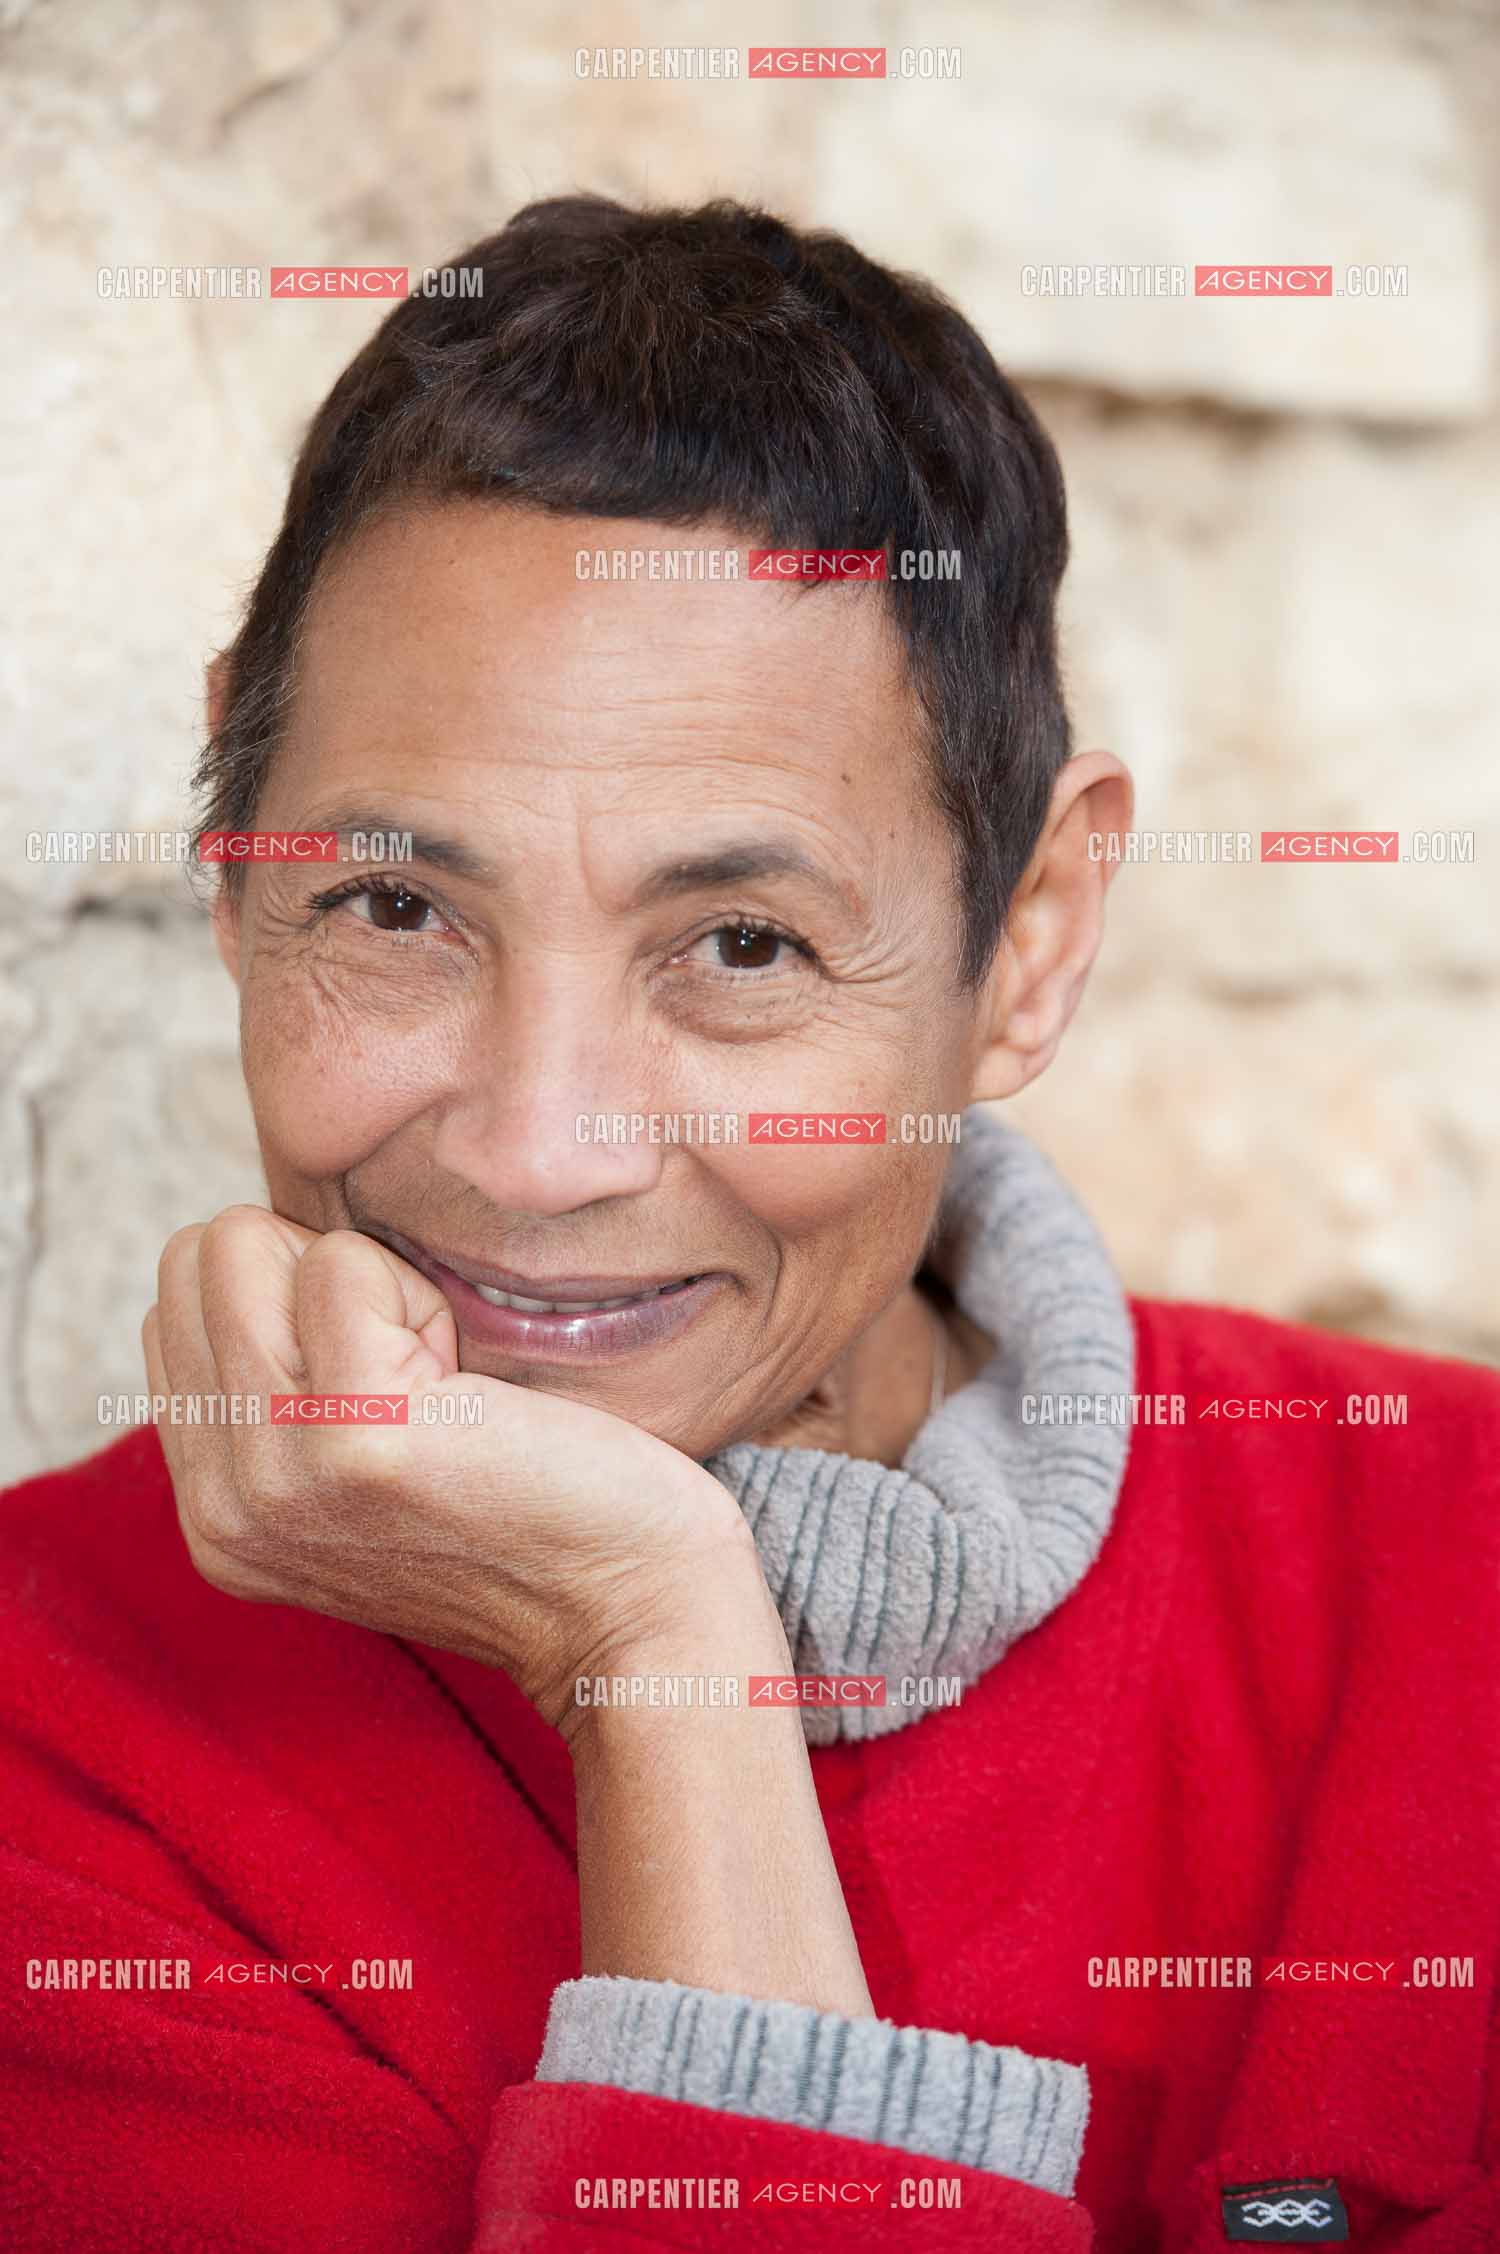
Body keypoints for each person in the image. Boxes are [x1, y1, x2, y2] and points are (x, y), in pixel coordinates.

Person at [1, 195, 1496, 2253]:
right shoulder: (51, 1740)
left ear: (1031, 943)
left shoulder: (1458, 1583)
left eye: (740, 940)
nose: (537, 1147)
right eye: (397, 907)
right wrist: (665, 1638)